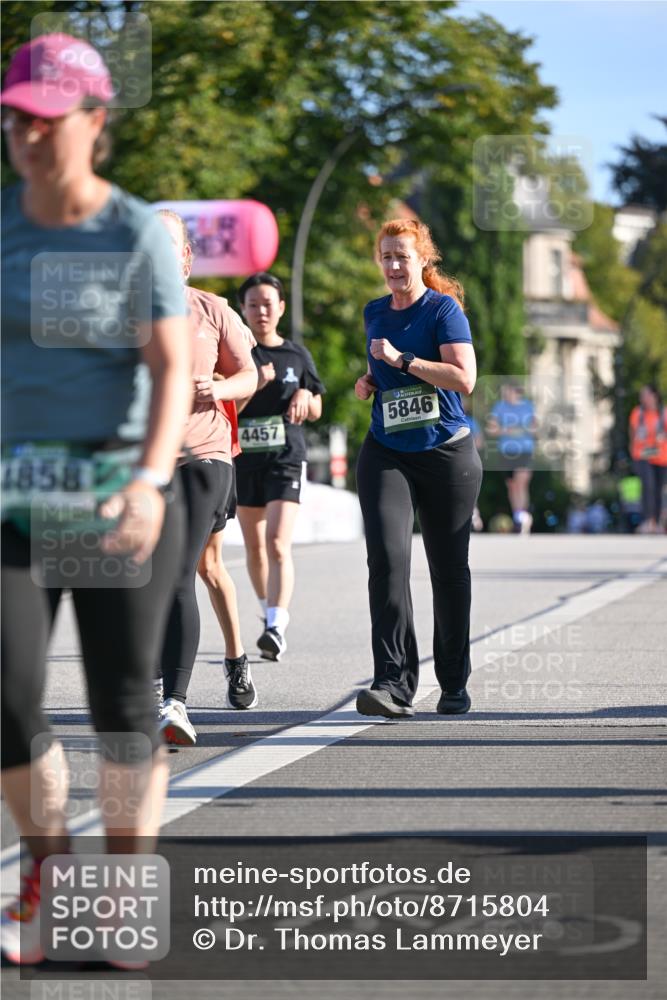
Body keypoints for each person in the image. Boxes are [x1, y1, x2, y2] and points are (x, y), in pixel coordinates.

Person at [1, 34, 192, 964]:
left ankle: (124, 888)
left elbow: (171, 367)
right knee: (6, 694)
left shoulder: (133, 232)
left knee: (120, 706)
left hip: (117, 495)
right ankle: (49, 868)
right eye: (15, 121)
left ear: (94, 121)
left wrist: (151, 481)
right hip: (15, 498)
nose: (28, 138)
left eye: (47, 120)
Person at [354, 218, 482, 720]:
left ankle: (453, 681)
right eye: (386, 256)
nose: (393, 265)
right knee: (387, 561)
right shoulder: (374, 312)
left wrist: (402, 360)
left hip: (445, 453)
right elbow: (384, 372)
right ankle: (393, 683)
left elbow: (463, 378)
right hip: (386, 450)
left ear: (423, 259)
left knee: (448, 571)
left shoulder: (443, 310)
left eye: (402, 256)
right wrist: (370, 380)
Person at [156, 210, 258, 744]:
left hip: (204, 455)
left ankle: (175, 701)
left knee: (185, 570)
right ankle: (156, 684)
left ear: (185, 258)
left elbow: (250, 374)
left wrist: (218, 389)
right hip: (146, 462)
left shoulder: (211, 310)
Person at [235, 273, 325, 661]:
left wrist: (305, 395)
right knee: (255, 547)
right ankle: (267, 611)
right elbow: (226, 407)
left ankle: (276, 625)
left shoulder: (296, 355)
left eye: (268, 304)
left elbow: (318, 406)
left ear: (282, 307)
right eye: (253, 304)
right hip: (244, 459)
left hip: (285, 457)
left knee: (275, 542)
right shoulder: (236, 354)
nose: (261, 311)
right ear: (242, 309)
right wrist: (253, 384)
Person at [486, 381, 537, 534]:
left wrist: (522, 429)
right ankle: (517, 516)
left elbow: (535, 427)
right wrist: (507, 430)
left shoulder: (527, 406)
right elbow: (491, 429)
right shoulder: (500, 407)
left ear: (516, 392)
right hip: (506, 451)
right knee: (512, 485)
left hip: (525, 449)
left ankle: (523, 516)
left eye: (507, 391)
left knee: (522, 482)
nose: (505, 394)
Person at [629, 384, 667, 533]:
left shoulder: (663, 413)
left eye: (645, 394)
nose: (642, 398)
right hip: (643, 454)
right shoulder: (638, 413)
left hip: (661, 456)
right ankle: (647, 520)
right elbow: (632, 433)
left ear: (654, 396)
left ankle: (656, 522)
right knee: (648, 486)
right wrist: (633, 451)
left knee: (658, 489)